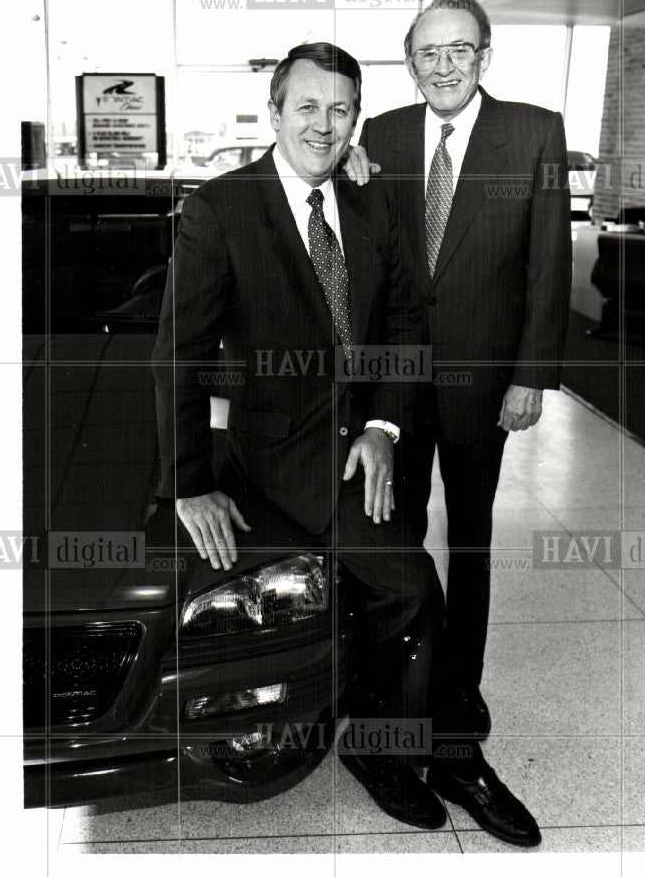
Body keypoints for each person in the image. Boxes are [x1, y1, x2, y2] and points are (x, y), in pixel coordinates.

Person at [152, 41, 447, 831]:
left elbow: (404, 320)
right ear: (274, 111)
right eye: (308, 107)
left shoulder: (369, 201)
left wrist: (383, 423)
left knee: (389, 587)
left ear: (358, 118)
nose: (324, 125)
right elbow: (175, 354)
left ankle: (359, 711)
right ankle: (378, 749)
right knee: (410, 585)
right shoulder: (220, 209)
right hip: (285, 449)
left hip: (371, 438)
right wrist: (188, 480)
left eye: (341, 108)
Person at [346, 0, 572, 846]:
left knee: (468, 544)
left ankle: (456, 718)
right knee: (390, 548)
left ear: (484, 55)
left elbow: (548, 263)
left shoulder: (533, 132)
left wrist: (532, 378)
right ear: (410, 60)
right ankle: (386, 714)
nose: (443, 65)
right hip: (396, 389)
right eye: (428, 51)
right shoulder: (384, 137)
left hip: (486, 385)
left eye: (460, 50)